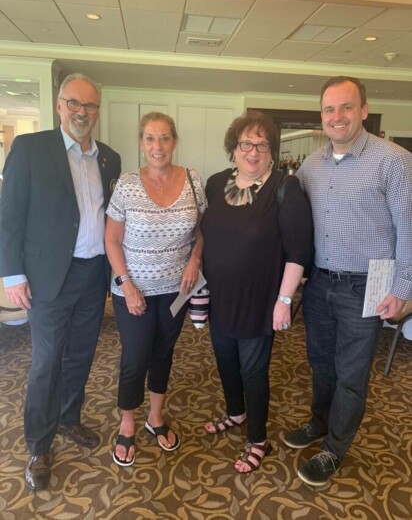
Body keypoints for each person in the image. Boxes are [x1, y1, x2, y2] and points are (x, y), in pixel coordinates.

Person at [284, 76, 412, 487]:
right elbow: (291, 220)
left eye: (345, 107)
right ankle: (320, 422)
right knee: (321, 364)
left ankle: (334, 448)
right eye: (328, 109)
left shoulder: (393, 160)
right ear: (321, 115)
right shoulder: (310, 165)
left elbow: (409, 228)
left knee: (352, 374)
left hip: (369, 285)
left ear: (363, 110)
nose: (336, 116)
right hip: (320, 283)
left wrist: (403, 288)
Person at [0, 73, 121, 491]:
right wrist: (12, 275)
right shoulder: (31, 149)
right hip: (48, 278)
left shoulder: (109, 158)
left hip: (92, 276)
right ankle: (39, 444)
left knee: (81, 356)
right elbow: (9, 217)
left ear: (97, 112)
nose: (81, 113)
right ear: (58, 105)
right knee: (46, 363)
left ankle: (70, 419)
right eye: (74, 104)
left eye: (89, 106)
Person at [201, 111, 313, 473]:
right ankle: (235, 412)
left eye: (262, 145)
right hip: (220, 297)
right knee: (226, 363)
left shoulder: (285, 187)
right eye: (246, 143)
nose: (253, 152)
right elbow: (204, 234)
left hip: (259, 300)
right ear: (233, 148)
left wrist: (284, 301)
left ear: (272, 151)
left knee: (253, 370)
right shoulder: (216, 184)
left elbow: (299, 251)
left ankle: (258, 437)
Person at [105, 112, 206, 467]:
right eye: (150, 138)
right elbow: (112, 240)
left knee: (164, 352)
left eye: (164, 138)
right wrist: (126, 284)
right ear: (141, 143)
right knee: (135, 357)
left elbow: (202, 230)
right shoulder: (128, 184)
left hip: (177, 290)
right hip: (134, 291)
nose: (157, 146)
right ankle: (128, 422)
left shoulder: (193, 179)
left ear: (174, 142)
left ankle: (156, 418)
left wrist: (195, 260)